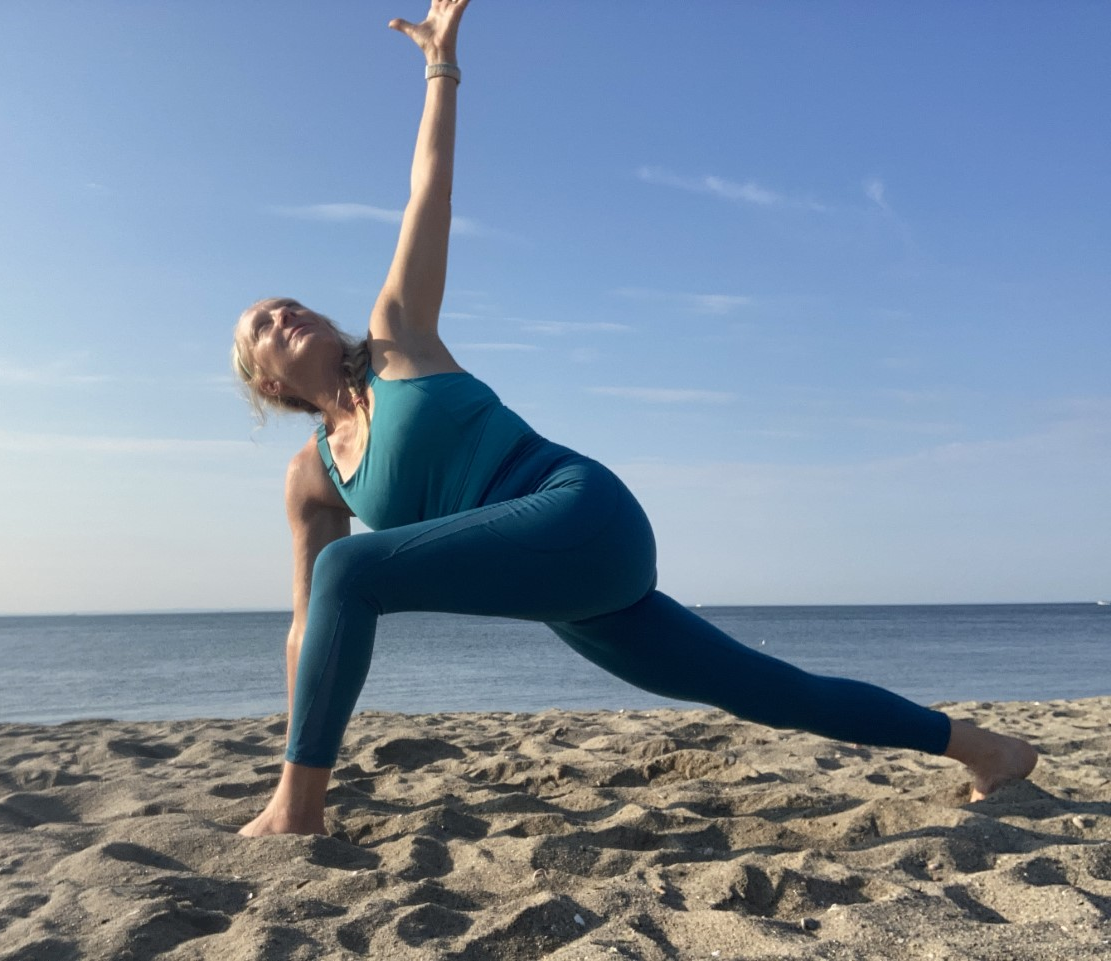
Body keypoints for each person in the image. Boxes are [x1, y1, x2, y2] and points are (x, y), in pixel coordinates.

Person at [230, 0, 1037, 838]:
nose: (284, 315)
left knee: (353, 567)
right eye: (262, 326)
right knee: (768, 690)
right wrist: (305, 720)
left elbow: (426, 191)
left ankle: (298, 813)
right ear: (267, 382)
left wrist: (442, 67)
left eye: (289, 304)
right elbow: (308, 625)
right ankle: (987, 749)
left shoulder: (400, 337)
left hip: (578, 511)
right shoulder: (313, 476)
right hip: (564, 591)